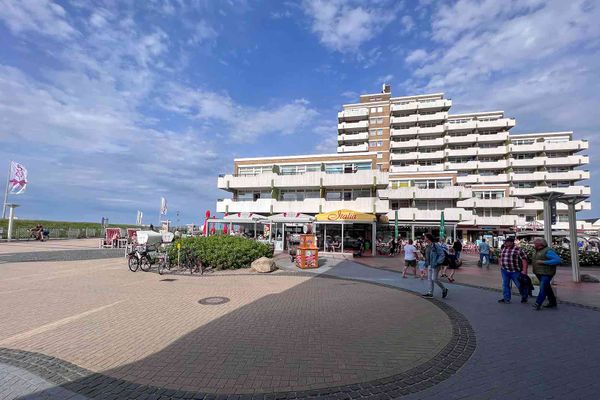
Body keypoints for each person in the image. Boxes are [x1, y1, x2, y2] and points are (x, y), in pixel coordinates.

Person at [532, 237, 562, 310]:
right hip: (539, 272)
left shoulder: (548, 251)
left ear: (540, 244)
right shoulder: (537, 250)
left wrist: (543, 262)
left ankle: (538, 303)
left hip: (546, 273)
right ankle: (552, 302)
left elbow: (557, 260)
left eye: (535, 243)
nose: (534, 244)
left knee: (543, 288)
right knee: (547, 288)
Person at [497, 237, 529, 304]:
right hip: (505, 270)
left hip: (515, 271)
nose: (505, 243)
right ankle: (506, 298)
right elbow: (500, 257)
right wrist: (501, 265)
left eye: (507, 242)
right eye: (505, 242)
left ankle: (524, 296)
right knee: (505, 285)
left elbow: (524, 260)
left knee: (519, 285)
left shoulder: (518, 250)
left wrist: (524, 270)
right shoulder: (503, 249)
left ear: (511, 242)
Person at [422, 233, 448, 299]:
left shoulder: (435, 245)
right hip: (430, 265)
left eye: (425, 237)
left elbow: (442, 254)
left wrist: (438, 262)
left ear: (428, 238)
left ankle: (444, 289)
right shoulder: (427, 246)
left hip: (435, 265)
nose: (424, 238)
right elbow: (427, 256)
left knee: (434, 279)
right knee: (430, 279)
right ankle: (430, 293)